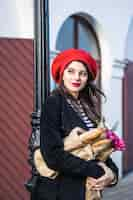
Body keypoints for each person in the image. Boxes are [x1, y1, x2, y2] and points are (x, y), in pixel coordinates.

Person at [32, 48, 118, 200]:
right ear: (62, 74)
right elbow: (53, 155)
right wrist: (97, 170)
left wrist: (112, 174)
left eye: (82, 73)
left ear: (87, 78)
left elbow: (96, 149)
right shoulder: (54, 103)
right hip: (59, 191)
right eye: (71, 71)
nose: (77, 77)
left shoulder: (88, 108)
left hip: (83, 191)